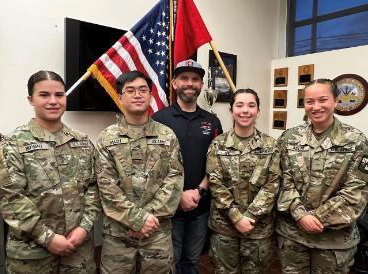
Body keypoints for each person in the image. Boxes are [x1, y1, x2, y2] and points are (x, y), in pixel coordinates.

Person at [0, 70, 101, 273]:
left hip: (77, 251)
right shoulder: (13, 144)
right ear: (31, 99)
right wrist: (48, 238)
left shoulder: (83, 142)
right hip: (32, 255)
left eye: (59, 95)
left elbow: (94, 188)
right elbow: (11, 198)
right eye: (44, 95)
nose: (53, 101)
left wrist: (84, 228)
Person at [95, 70, 183, 273]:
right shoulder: (107, 138)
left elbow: (174, 180)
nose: (137, 95)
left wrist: (147, 220)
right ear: (120, 97)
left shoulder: (167, 135)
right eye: (130, 90)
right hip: (118, 235)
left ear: (150, 96)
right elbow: (106, 185)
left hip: (157, 232)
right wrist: (137, 220)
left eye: (143, 90)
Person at [276, 78, 368, 274]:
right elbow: (283, 180)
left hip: (334, 242)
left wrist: (316, 218)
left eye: (323, 100)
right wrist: (300, 215)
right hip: (293, 237)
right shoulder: (289, 138)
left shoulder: (356, 141)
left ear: (335, 101)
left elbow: (356, 190)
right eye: (309, 101)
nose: (316, 107)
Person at [152, 59, 223, 274]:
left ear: (202, 85)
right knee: (168, 263)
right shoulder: (159, 119)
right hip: (168, 209)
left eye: (195, 79)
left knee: (192, 262)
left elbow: (217, 163)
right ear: (174, 83)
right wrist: (178, 195)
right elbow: (154, 166)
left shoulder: (212, 121)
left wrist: (199, 192)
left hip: (200, 207)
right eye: (184, 78)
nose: (189, 83)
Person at [206, 89, 279, 274]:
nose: (245, 110)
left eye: (251, 105)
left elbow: (273, 184)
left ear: (258, 111)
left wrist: (251, 216)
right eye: (239, 105)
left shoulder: (272, 145)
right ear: (232, 111)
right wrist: (236, 217)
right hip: (224, 227)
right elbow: (215, 182)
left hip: (259, 228)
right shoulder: (218, 144)